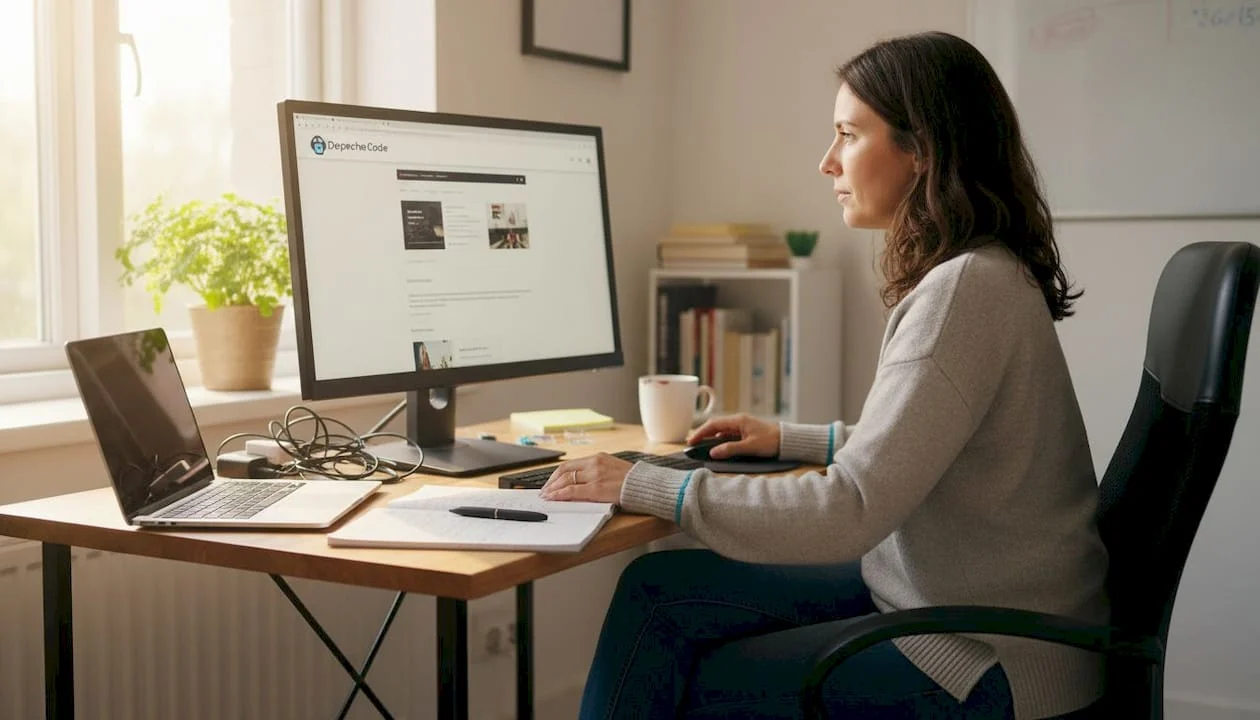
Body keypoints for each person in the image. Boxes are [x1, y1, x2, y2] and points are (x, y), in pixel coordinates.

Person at [540, 30, 1108, 720]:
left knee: (694, 677)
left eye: (848, 135)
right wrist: (796, 439)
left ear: (921, 150)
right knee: (657, 591)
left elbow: (850, 511)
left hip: (981, 655)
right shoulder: (984, 273)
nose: (827, 163)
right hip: (952, 602)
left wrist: (646, 484)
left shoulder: (964, 291)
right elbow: (929, 448)